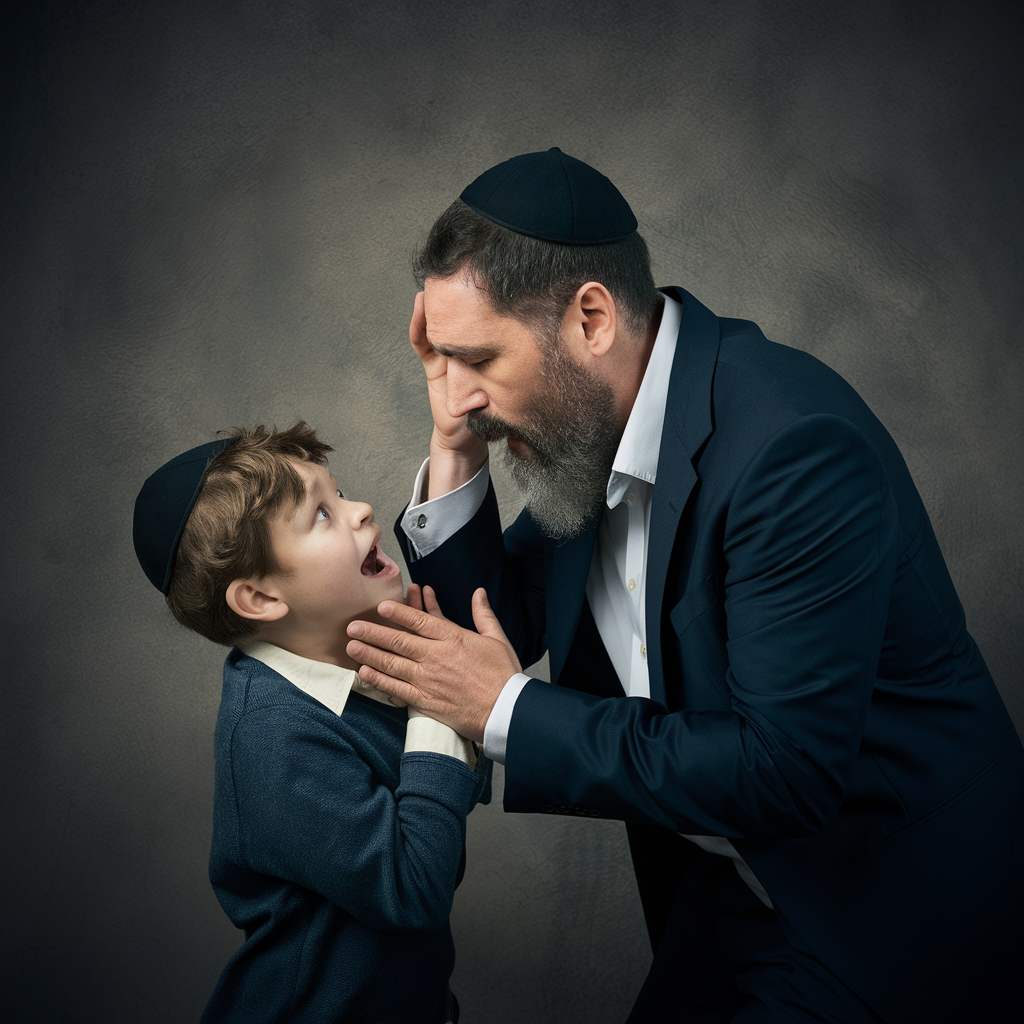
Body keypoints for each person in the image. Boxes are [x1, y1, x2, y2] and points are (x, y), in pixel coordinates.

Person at [345, 149, 1024, 1022]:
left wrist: (504, 709)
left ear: (590, 318)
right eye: (443, 360)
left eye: (475, 357)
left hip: (892, 909)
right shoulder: (590, 426)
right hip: (726, 898)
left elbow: (785, 774)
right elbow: (498, 624)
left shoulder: (791, 450)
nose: (462, 391)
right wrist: (453, 439)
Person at [132, 422, 491, 1024]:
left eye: (340, 492)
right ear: (261, 599)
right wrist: (434, 705)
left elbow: (451, 808)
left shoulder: (351, 671)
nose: (362, 510)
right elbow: (413, 884)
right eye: (321, 515)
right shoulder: (272, 735)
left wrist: (445, 689)